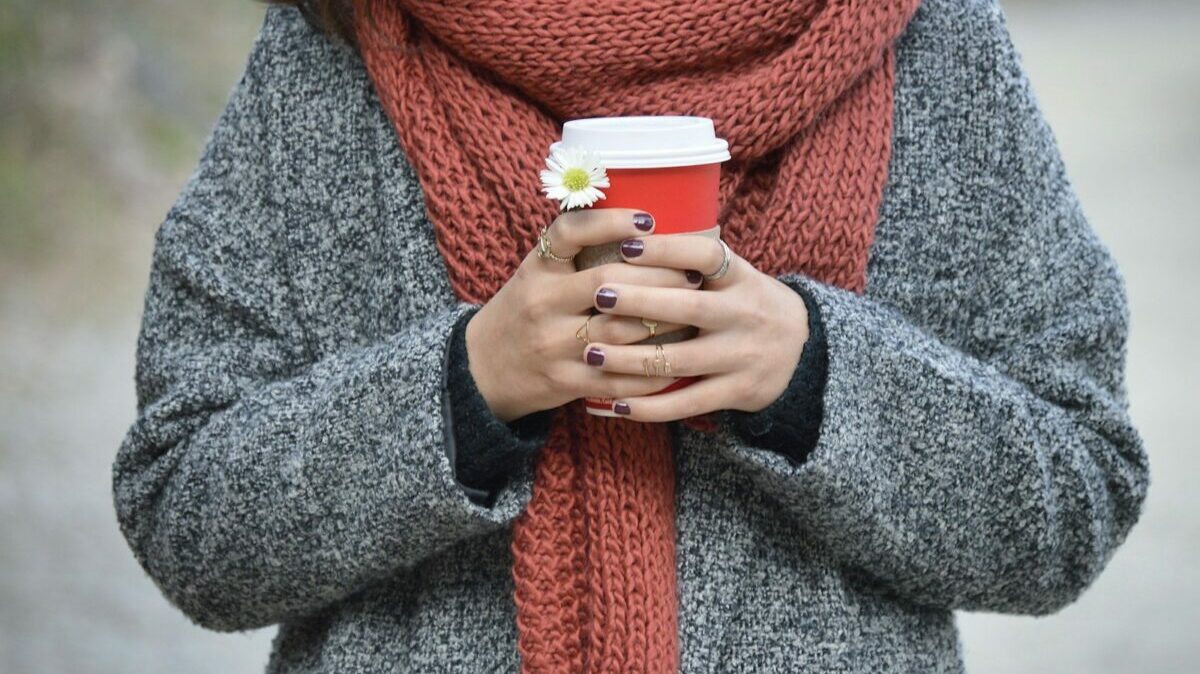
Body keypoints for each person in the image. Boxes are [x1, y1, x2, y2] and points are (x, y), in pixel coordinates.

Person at [112, 1, 1151, 672]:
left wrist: (815, 375)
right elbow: (186, 517)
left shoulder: (930, 41)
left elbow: (1076, 493)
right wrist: (463, 387)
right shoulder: (336, 46)